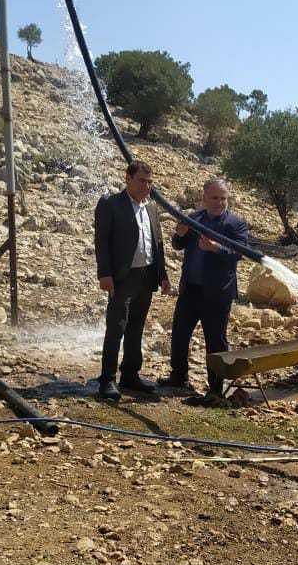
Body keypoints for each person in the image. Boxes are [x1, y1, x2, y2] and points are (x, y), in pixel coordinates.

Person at [158, 178, 249, 403]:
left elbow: (239, 252)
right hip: (190, 289)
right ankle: (179, 377)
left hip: (217, 293)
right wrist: (179, 234)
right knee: (179, 334)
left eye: (223, 198)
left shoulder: (235, 224)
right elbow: (178, 245)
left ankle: (215, 389)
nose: (219, 203)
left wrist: (216, 248)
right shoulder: (194, 218)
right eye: (214, 198)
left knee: (215, 341)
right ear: (204, 198)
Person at [94, 160, 170, 402]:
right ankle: (107, 379)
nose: (146, 186)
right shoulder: (111, 204)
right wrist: (104, 274)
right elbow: (102, 241)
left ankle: (130, 374)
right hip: (122, 277)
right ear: (127, 178)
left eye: (150, 182)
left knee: (136, 327)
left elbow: (157, 244)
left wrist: (163, 275)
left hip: (146, 276)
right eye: (141, 181)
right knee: (116, 326)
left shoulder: (151, 208)